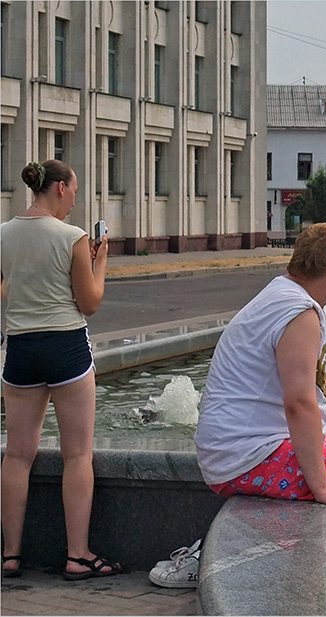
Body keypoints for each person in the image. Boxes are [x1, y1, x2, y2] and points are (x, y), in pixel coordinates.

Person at [194, 223, 326, 565]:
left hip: (263, 439)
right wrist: (321, 486)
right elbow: (300, 402)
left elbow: (320, 387)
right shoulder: (299, 313)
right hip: (244, 454)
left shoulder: (293, 296)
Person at [1, 160, 122, 580]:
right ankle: (78, 555)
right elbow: (88, 303)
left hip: (19, 348)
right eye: (73, 190)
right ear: (58, 189)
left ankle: (11, 555)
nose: (74, 199)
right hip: (65, 347)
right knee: (77, 454)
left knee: (17, 454)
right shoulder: (74, 237)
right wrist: (99, 261)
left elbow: (5, 285)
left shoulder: (3, 232)